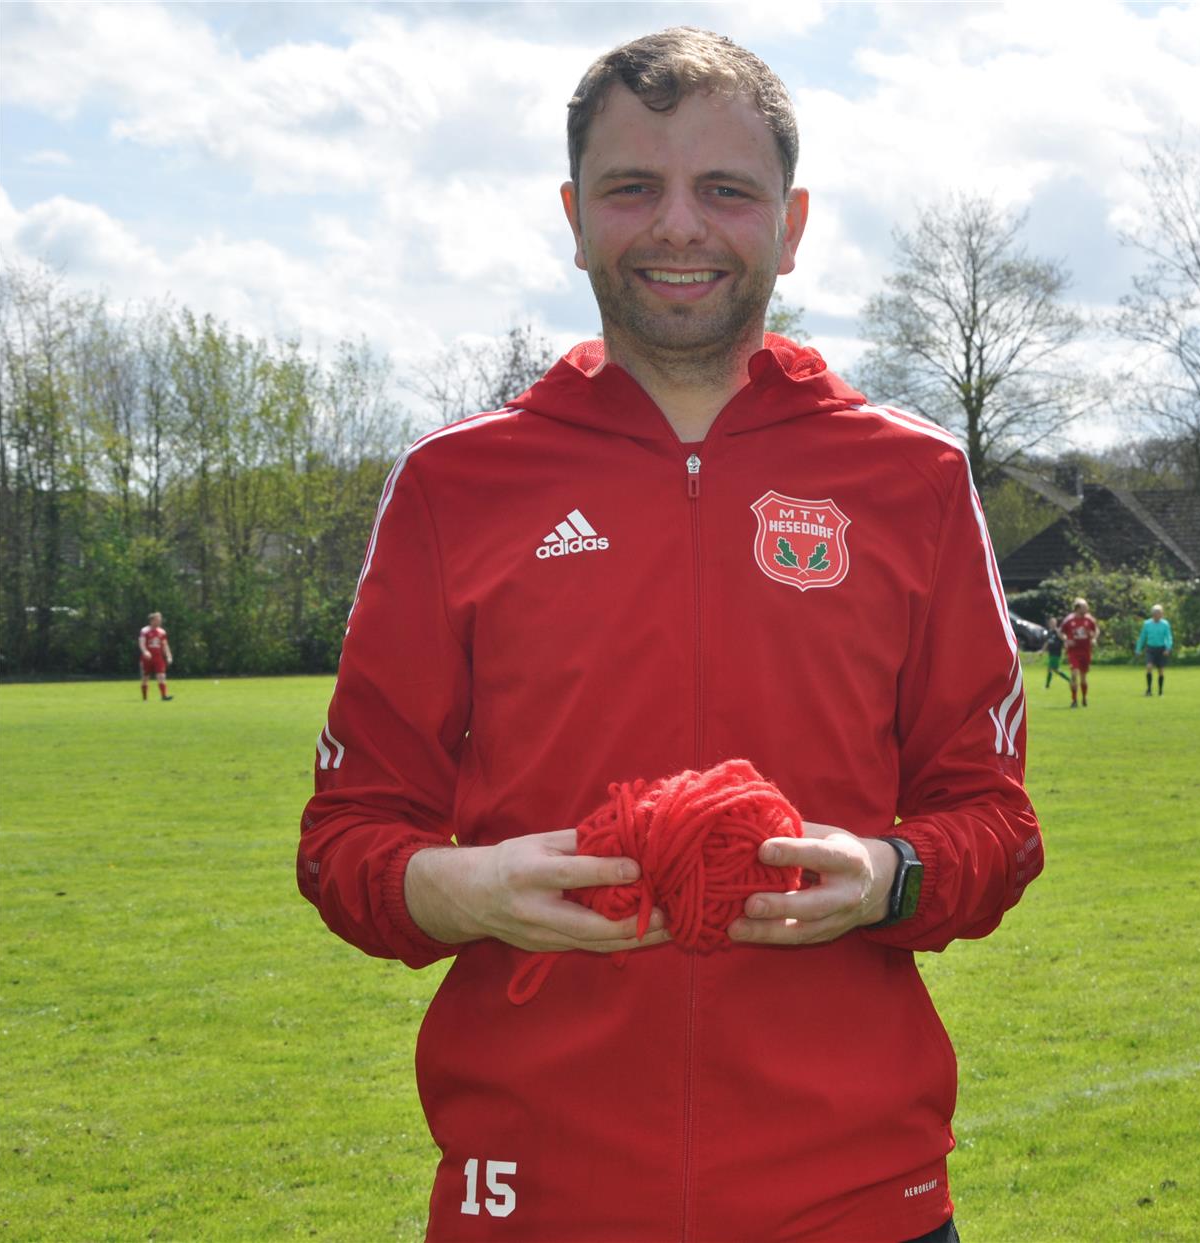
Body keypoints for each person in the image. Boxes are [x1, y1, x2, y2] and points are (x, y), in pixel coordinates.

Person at [295, 29, 1041, 1242]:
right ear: (575, 217)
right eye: (633, 187)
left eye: (726, 190)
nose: (678, 225)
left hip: (857, 1201)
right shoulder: (456, 486)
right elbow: (344, 845)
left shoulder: (912, 478)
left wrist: (886, 875)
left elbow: (996, 825)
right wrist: (468, 887)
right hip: (533, 1199)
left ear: (791, 225)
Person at [1058, 597, 1099, 708]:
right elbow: (1060, 632)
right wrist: (1066, 640)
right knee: (1074, 674)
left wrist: (1094, 638)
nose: (1087, 609)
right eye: (1084, 607)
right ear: (1077, 608)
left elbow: (1096, 630)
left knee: (1083, 677)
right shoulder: (1069, 620)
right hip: (1073, 651)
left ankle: (1084, 698)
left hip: (1086, 650)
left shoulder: (1089, 619)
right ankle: (1074, 699)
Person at [1135, 603, 1173, 696]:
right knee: (1149, 667)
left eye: (1160, 613)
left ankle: (1160, 691)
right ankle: (1148, 690)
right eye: (1156, 613)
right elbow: (1142, 637)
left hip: (1161, 649)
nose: (1158, 615)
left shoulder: (1165, 624)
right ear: (1153, 614)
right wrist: (1138, 649)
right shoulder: (1147, 624)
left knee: (1160, 670)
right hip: (1150, 648)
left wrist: (1168, 648)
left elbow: (1168, 637)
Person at [137, 611, 174, 702]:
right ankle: (145, 698)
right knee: (145, 678)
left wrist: (169, 655)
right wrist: (145, 651)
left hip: (158, 657)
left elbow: (165, 645)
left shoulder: (162, 632)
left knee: (161, 675)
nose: (159, 622)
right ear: (152, 621)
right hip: (147, 658)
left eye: (160, 620)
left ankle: (164, 696)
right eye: (157, 620)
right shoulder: (145, 630)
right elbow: (141, 643)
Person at [1043, 616, 1064, 689]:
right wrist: (1042, 650)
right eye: (1051, 622)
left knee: (1051, 669)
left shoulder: (1057, 631)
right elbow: (1047, 642)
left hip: (1056, 652)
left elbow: (1063, 638)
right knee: (1055, 669)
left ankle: (1047, 685)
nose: (1052, 624)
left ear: (1056, 623)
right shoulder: (1049, 632)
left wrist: (1058, 633)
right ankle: (1070, 680)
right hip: (1051, 652)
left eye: (1053, 622)